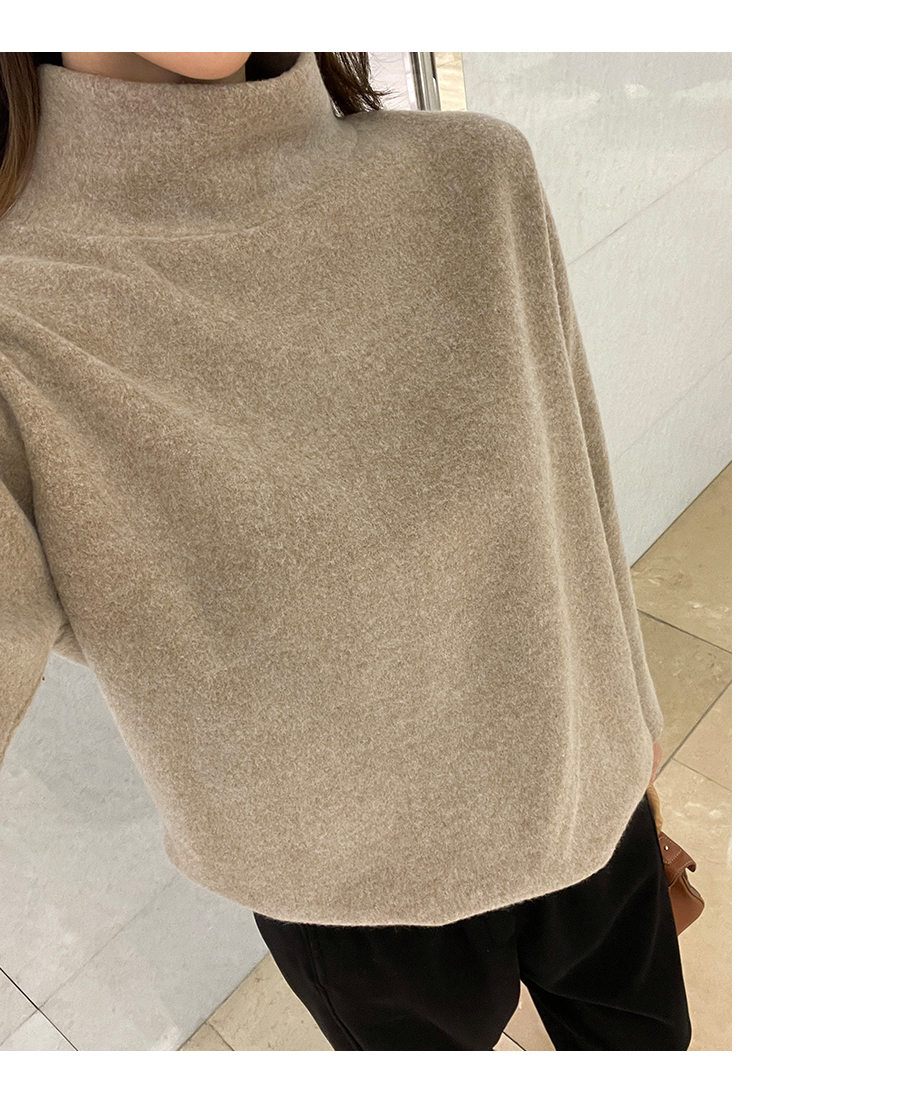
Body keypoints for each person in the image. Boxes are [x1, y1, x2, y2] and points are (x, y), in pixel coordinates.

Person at [0, 51, 690, 1051]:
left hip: (584, 790)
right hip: (345, 895)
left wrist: (633, 712)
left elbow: (576, 485)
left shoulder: (473, 177)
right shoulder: (20, 318)